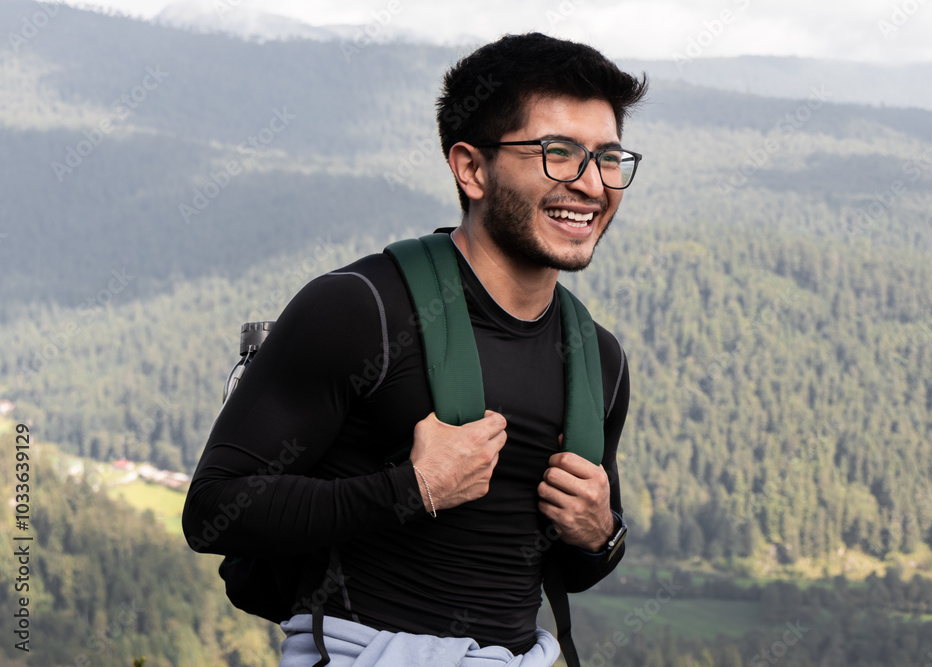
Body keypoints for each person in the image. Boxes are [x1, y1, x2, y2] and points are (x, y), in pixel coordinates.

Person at [182, 32, 647, 667]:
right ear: (471, 168)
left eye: (608, 158)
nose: (591, 184)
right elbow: (213, 510)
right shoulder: (360, 309)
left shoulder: (598, 359)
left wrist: (600, 535)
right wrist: (413, 488)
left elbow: (569, 560)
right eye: (557, 154)